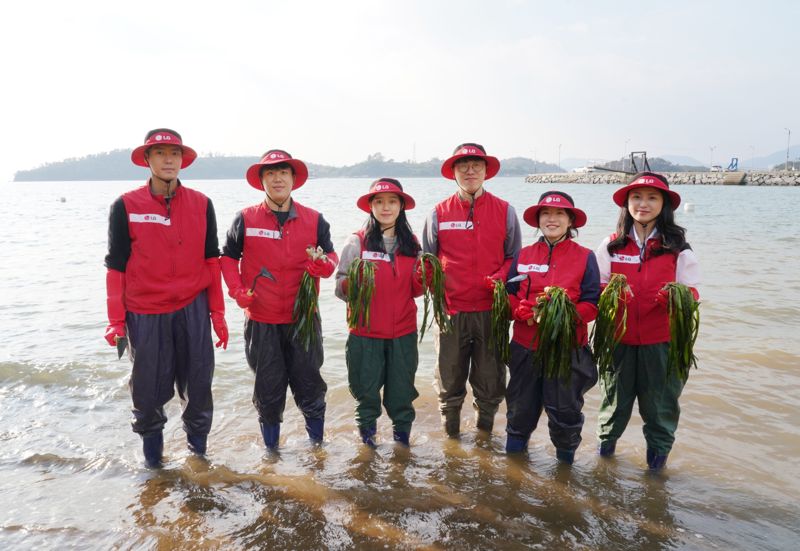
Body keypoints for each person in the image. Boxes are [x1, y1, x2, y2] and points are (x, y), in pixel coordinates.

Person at [103, 128, 228, 468]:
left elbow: (211, 262)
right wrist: (116, 320)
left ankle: (198, 460)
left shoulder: (202, 204)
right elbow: (116, 268)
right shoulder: (126, 205)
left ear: (182, 159)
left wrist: (217, 315)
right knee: (148, 392)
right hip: (145, 312)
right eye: (159, 153)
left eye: (174, 153)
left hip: (192, 308)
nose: (169, 159)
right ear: (147, 159)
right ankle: (153, 468)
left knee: (199, 386)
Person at [220, 150, 338, 450]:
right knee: (268, 392)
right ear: (261, 180)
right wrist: (236, 291)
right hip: (262, 321)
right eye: (270, 173)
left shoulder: (314, 219)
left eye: (283, 172)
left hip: (304, 319)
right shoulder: (245, 218)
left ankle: (317, 451)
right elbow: (228, 258)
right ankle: (271, 456)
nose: (277, 178)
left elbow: (331, 257)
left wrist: (322, 265)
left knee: (311, 388)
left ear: (293, 179)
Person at [595, 172, 701, 470]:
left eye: (652, 198)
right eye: (636, 197)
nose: (643, 204)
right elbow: (597, 285)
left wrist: (675, 297)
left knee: (660, 410)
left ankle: (656, 478)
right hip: (618, 341)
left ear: (664, 204)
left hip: (662, 343)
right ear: (626, 203)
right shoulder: (612, 244)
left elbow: (691, 290)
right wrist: (613, 294)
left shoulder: (677, 245)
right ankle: (604, 469)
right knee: (613, 407)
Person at [422, 143, 522, 436]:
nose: (469, 171)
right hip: (451, 312)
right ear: (453, 172)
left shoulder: (505, 211)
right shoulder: (438, 213)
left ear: (486, 171)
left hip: (492, 312)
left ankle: (484, 442)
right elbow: (427, 261)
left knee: (490, 383)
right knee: (449, 382)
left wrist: (500, 278)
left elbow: (514, 259)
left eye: (476, 165)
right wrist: (439, 298)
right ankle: (450, 443)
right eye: (462, 165)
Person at [504, 191, 600, 464]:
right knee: (520, 411)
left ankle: (565, 472)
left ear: (571, 220)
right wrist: (518, 309)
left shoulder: (585, 256)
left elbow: (592, 303)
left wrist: (565, 316)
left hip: (566, 351)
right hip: (525, 347)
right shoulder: (523, 254)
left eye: (560, 213)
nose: (552, 218)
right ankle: (513, 470)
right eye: (546, 213)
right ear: (538, 220)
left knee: (565, 414)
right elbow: (510, 293)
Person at [334, 178, 423, 447]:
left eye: (392, 201)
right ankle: (367, 450)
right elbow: (339, 287)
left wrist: (426, 277)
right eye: (379, 202)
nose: (386, 207)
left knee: (402, 397)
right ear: (370, 206)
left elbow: (416, 290)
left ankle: (402, 449)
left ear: (401, 206)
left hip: (403, 333)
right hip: (365, 334)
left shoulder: (412, 243)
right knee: (366, 396)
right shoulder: (357, 242)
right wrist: (355, 281)